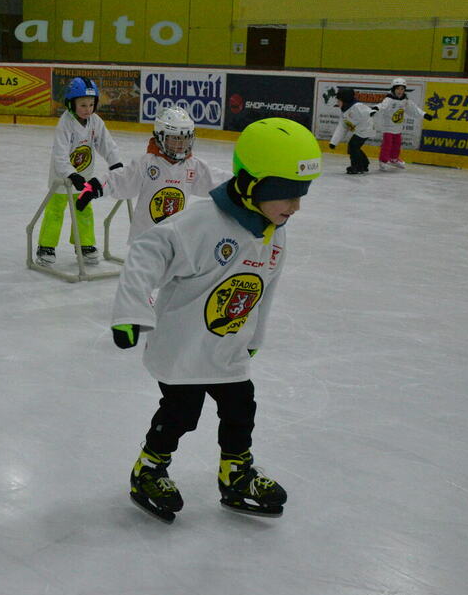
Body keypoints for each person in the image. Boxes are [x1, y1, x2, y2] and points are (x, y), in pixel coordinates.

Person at [109, 117, 321, 523]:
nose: (296, 206)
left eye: (301, 194)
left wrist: (255, 337)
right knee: (181, 413)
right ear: (254, 185)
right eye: (288, 194)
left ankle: (235, 472)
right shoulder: (203, 222)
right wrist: (131, 311)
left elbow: (265, 287)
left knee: (242, 408)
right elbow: (147, 252)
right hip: (185, 346)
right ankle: (149, 468)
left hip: (228, 348)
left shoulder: (274, 229)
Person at [75, 106, 229, 243]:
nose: (181, 144)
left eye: (185, 138)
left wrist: (239, 182)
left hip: (174, 239)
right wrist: (95, 187)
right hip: (144, 240)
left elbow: (217, 180)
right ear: (160, 137)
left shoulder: (193, 166)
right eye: (175, 139)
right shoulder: (147, 163)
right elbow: (122, 180)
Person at [36, 76, 123, 267]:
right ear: (71, 103)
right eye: (83, 105)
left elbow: (106, 144)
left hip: (84, 177)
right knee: (55, 211)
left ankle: (84, 244)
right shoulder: (65, 124)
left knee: (84, 209)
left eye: (91, 104)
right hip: (62, 179)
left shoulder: (95, 122)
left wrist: (115, 163)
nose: (88, 109)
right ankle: (46, 246)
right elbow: (60, 155)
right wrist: (71, 173)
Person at [372, 78, 433, 170]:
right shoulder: (389, 99)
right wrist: (376, 108)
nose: (400, 91)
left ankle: (394, 159)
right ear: (393, 89)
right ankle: (383, 161)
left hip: (398, 127)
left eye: (402, 89)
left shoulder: (405, 100)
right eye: (398, 89)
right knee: (387, 145)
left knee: (397, 144)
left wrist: (424, 114)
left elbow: (414, 109)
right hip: (388, 127)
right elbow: (382, 106)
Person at [328, 87, 374, 174]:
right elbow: (342, 127)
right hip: (360, 130)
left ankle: (357, 166)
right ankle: (364, 164)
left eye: (339, 100)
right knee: (354, 147)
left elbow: (369, 112)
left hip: (366, 129)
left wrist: (372, 113)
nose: (337, 103)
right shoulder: (345, 111)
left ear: (345, 100)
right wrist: (333, 142)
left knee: (352, 146)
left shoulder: (357, 106)